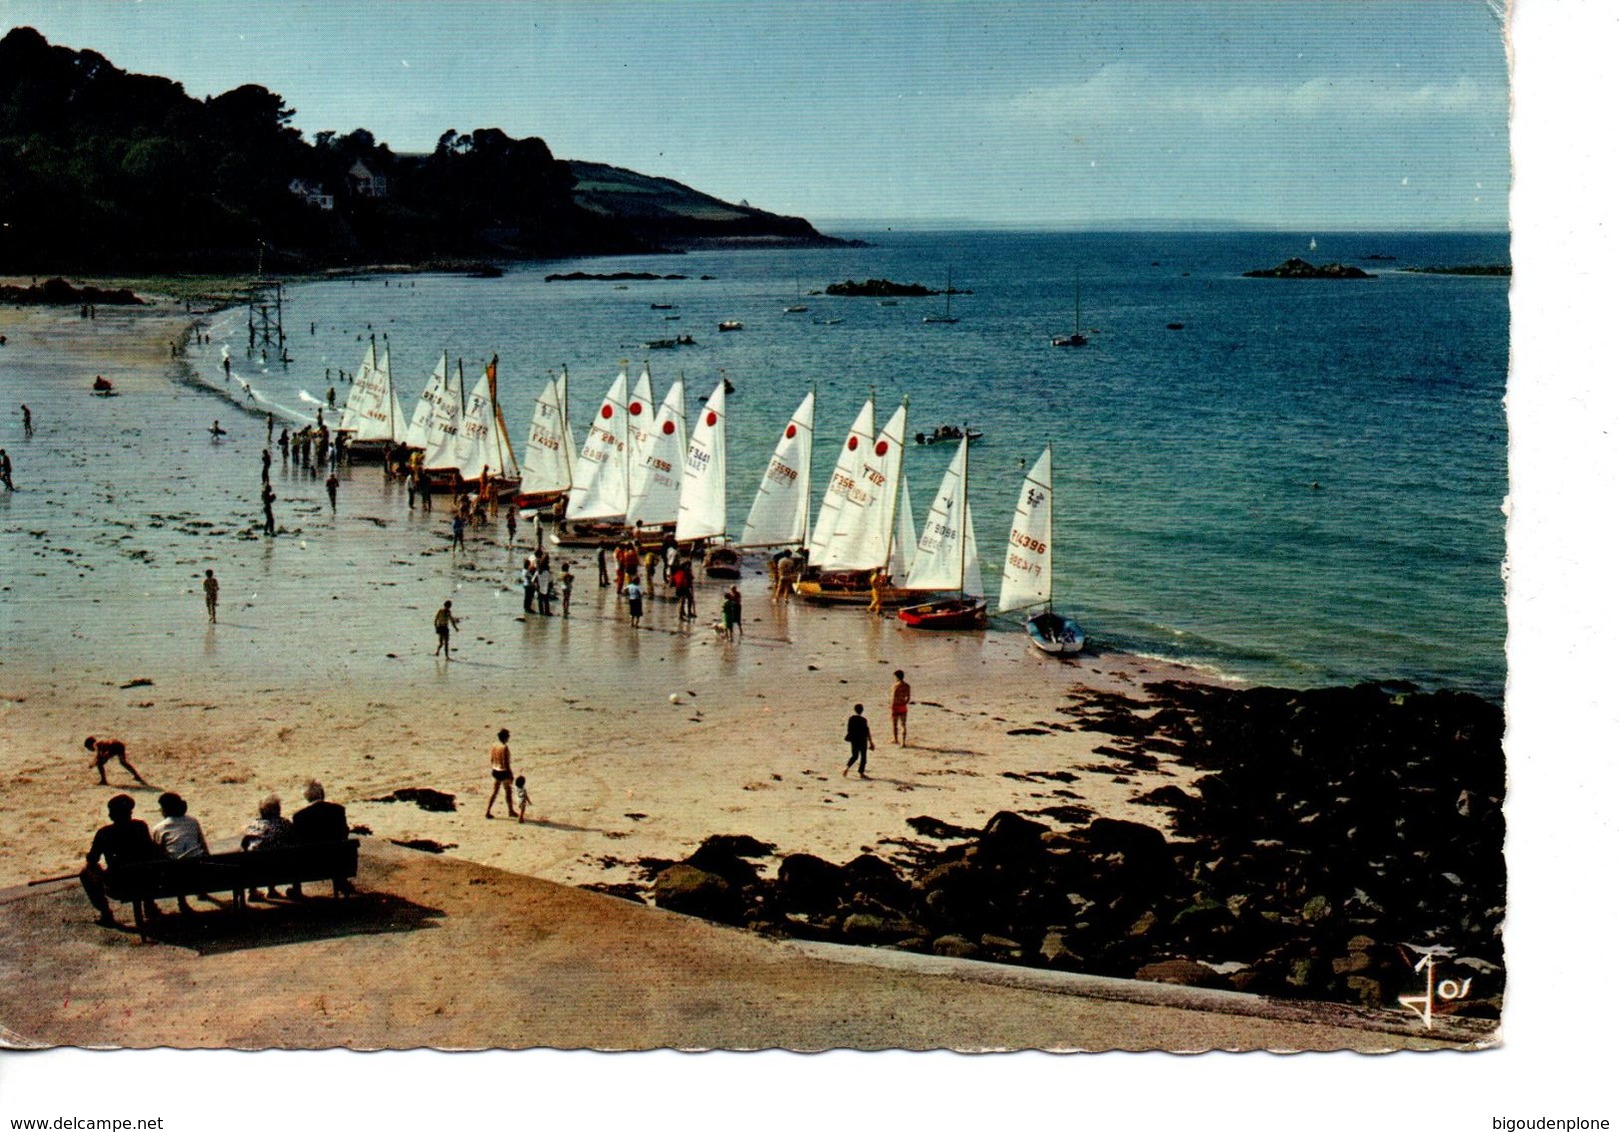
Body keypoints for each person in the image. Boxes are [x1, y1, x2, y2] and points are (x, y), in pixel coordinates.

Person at [80, 794, 162, 927]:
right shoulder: (140, 827)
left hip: (119, 885)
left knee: (85, 873)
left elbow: (92, 859)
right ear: (130, 812)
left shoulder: (104, 833)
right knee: (145, 865)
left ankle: (106, 913)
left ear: (112, 815)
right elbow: (151, 851)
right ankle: (150, 905)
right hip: (146, 881)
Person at [290, 779, 353, 898]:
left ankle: (296, 889)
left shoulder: (299, 816)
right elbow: (344, 833)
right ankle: (341, 882)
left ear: (306, 797)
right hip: (336, 862)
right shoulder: (338, 810)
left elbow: (296, 842)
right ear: (322, 793)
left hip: (308, 866)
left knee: (295, 853)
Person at [152, 792, 208, 913]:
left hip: (175, 874)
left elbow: (159, 852)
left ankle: (182, 902)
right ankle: (202, 891)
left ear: (164, 809)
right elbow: (202, 844)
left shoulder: (159, 828)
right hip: (200, 870)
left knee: (174, 863)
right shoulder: (192, 821)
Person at [241, 795, 292, 901]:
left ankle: (253, 891)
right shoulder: (285, 824)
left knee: (254, 856)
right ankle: (272, 890)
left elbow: (244, 845)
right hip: (283, 869)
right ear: (277, 809)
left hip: (257, 871)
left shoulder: (253, 825)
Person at [486, 729, 518, 819]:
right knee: (508, 791)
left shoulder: (495, 745)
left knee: (495, 792)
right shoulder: (504, 747)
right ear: (505, 737)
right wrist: (511, 774)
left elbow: (492, 759)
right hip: (503, 771)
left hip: (495, 770)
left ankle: (488, 811)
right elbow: (506, 762)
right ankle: (510, 811)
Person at [843, 704, 873, 779]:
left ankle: (847, 768)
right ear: (862, 710)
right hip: (862, 740)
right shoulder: (864, 720)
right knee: (863, 757)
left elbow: (849, 729)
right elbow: (867, 731)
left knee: (855, 755)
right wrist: (871, 742)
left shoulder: (851, 719)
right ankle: (861, 772)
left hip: (854, 740)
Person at [890, 669, 912, 746]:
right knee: (903, 724)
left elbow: (894, 697)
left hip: (896, 705)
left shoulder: (895, 686)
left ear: (897, 677)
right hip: (903, 705)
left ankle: (895, 739)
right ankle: (903, 742)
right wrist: (904, 703)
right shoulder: (907, 686)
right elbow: (908, 698)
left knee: (894, 724)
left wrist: (891, 706)